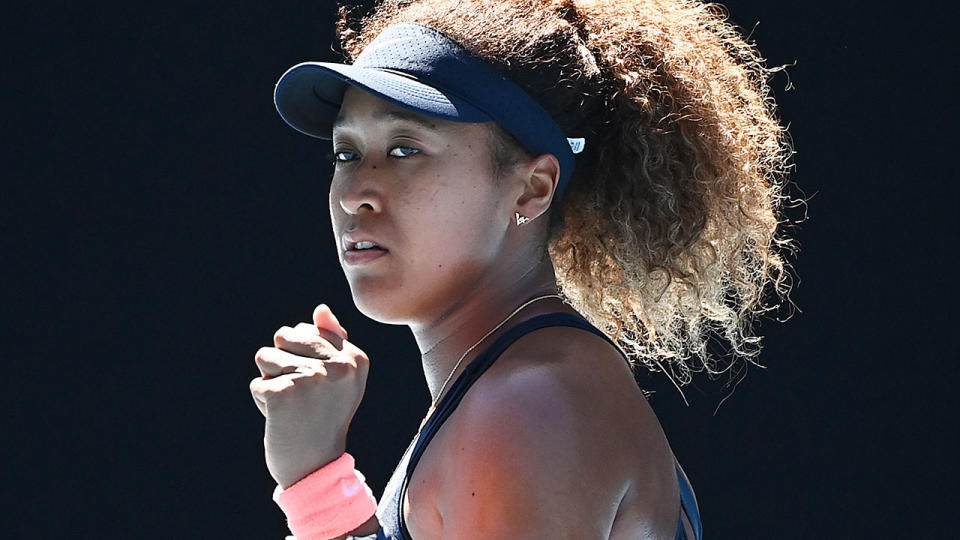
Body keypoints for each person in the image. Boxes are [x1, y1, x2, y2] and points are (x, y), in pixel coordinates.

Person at [249, 0, 795, 538]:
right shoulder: (521, 386)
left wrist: (316, 480)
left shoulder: (530, 402)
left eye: (404, 149)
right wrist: (317, 482)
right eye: (346, 153)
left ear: (533, 189)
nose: (355, 195)